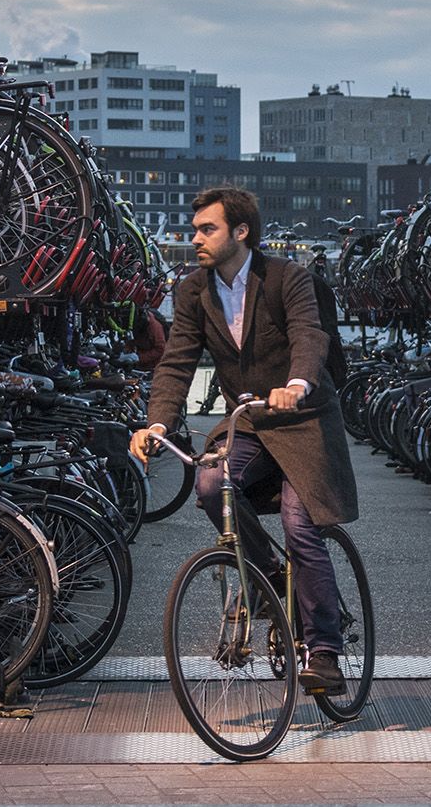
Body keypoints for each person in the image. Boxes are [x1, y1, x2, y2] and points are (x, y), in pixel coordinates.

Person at [130, 186, 359, 693]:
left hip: (304, 420)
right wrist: (158, 423)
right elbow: (176, 362)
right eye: (194, 231)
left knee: (302, 525)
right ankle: (269, 576)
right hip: (250, 420)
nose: (196, 240)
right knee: (211, 484)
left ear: (241, 232)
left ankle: (324, 652)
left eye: (206, 229)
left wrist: (297, 384)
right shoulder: (192, 291)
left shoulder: (288, 279)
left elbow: (308, 335)